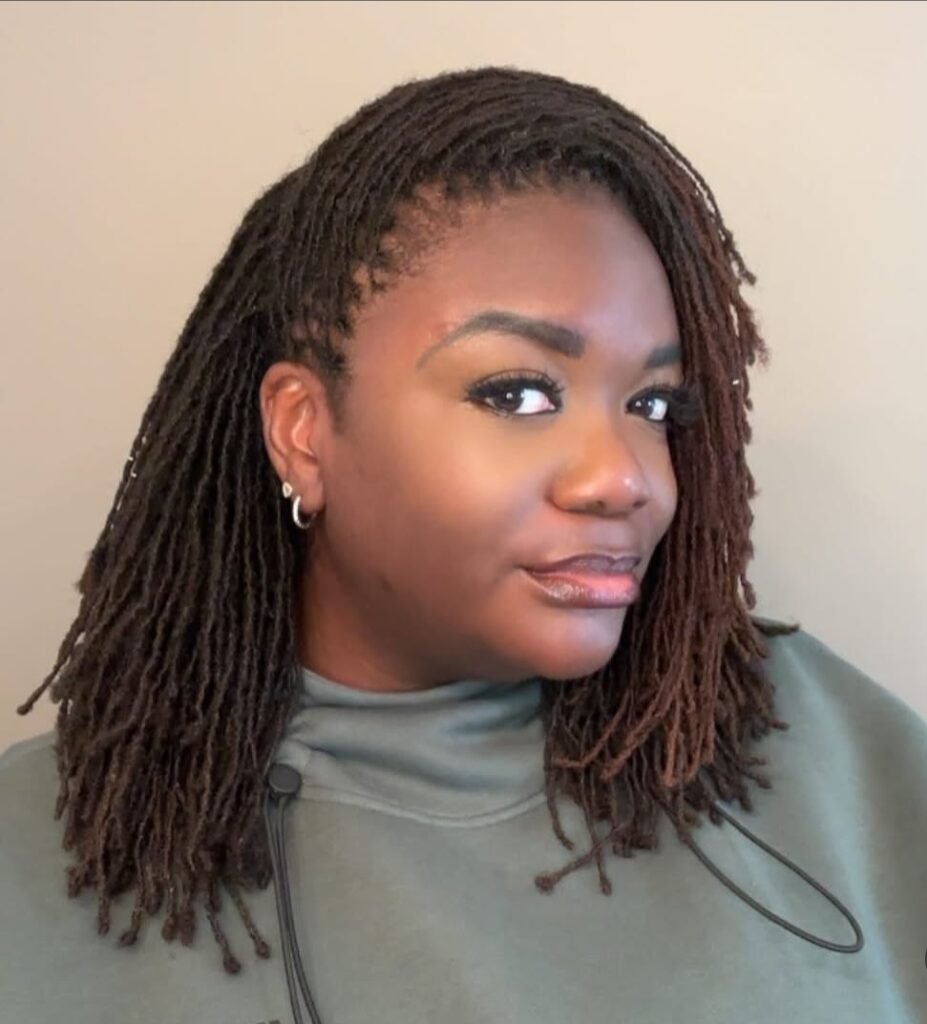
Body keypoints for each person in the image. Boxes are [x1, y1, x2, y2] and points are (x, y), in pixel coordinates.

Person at [2, 65, 925, 1024]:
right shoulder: (47, 854)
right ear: (304, 430)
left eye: (652, 404)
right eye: (518, 394)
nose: (624, 478)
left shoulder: (818, 743)